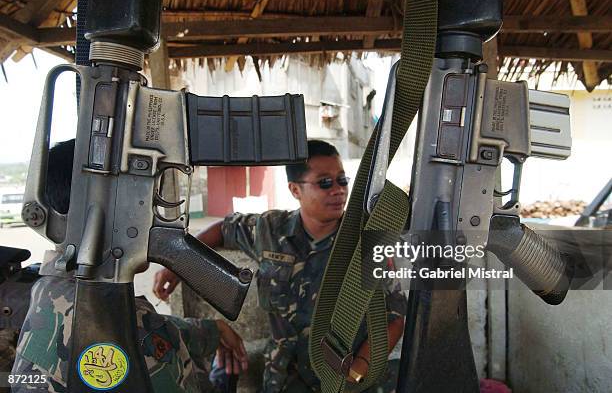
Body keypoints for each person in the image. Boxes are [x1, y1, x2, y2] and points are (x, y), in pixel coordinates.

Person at [154, 140, 407, 392]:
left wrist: (358, 370)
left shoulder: (364, 240)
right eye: (325, 183)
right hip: (283, 379)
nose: (338, 190)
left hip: (343, 381)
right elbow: (224, 228)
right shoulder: (270, 230)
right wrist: (180, 263)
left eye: (342, 180)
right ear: (295, 190)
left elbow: (394, 317)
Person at [11, 139, 248, 393]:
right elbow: (145, 337)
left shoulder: (50, 288)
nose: (151, 212)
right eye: (144, 200)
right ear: (111, 210)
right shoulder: (119, 322)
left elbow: (141, 325)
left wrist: (210, 332)